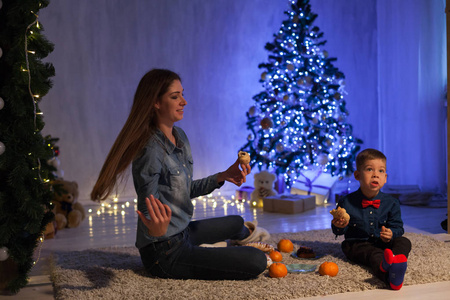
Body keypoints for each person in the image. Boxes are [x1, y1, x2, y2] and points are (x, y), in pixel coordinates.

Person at [91, 69, 269, 280]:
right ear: (156, 102)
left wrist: (222, 176)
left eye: (182, 94)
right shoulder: (150, 150)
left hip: (182, 233)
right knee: (256, 260)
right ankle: (229, 251)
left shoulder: (180, 137)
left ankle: (234, 242)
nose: (184, 101)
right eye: (175, 97)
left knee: (236, 222)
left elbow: (183, 190)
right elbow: (147, 206)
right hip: (164, 253)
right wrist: (155, 229)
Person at [331, 148, 411, 290]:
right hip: (358, 244)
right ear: (357, 175)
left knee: (404, 241)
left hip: (383, 242)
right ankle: (390, 276)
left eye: (380, 171)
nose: (375, 175)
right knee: (374, 254)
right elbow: (338, 231)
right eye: (369, 169)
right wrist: (339, 225)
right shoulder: (346, 202)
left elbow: (398, 227)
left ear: (385, 178)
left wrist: (391, 233)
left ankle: (397, 260)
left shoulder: (392, 203)